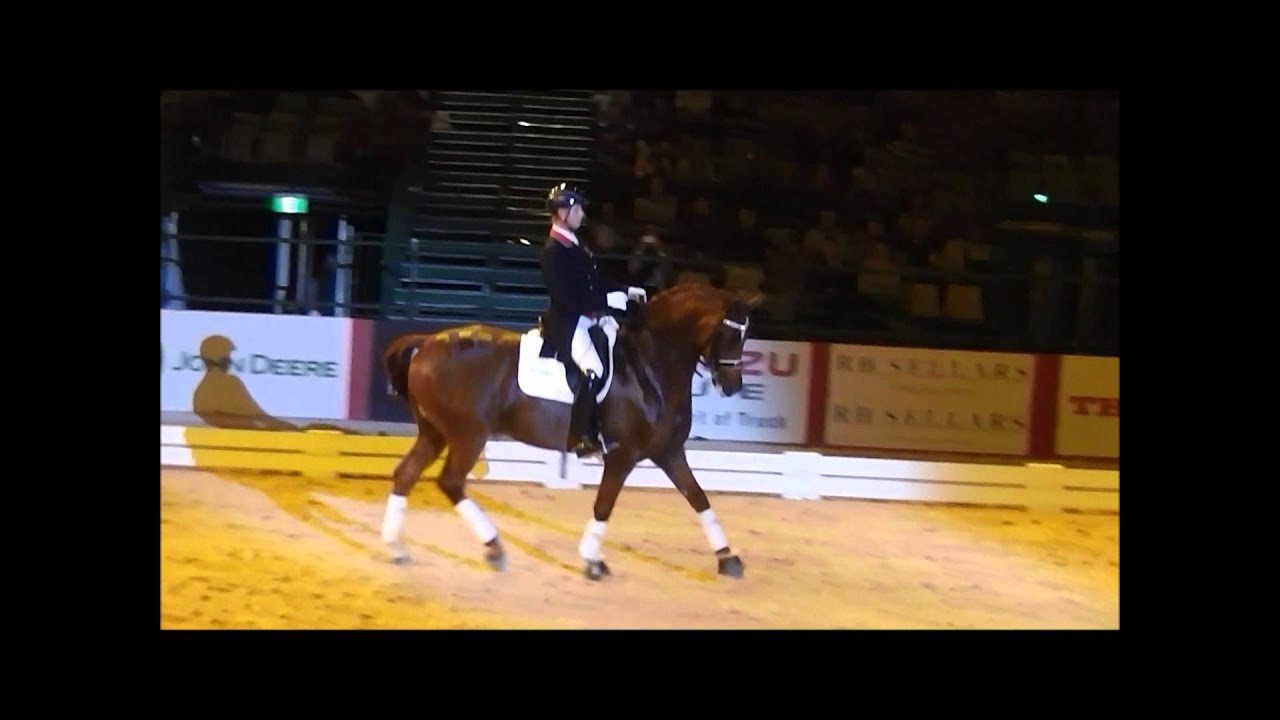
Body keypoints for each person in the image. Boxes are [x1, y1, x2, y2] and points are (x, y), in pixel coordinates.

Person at [539, 183, 646, 457]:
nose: (582, 214)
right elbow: (566, 297)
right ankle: (583, 435)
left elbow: (595, 280)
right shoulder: (554, 250)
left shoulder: (575, 244)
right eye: (577, 209)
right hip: (569, 322)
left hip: (589, 317)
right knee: (593, 369)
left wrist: (624, 290)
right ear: (562, 213)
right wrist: (606, 302)